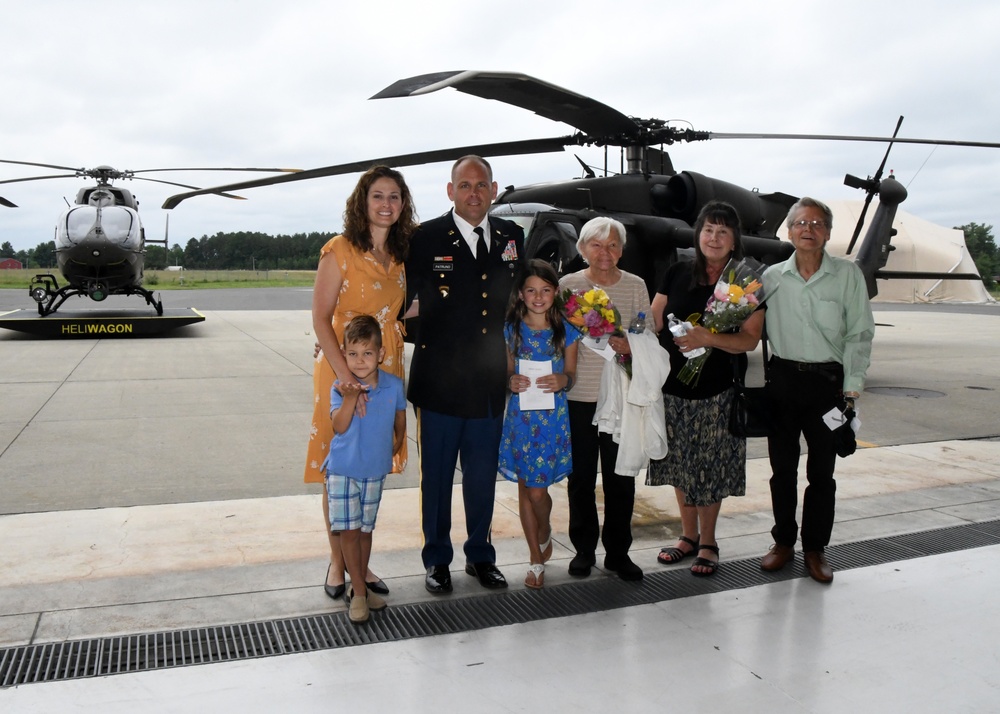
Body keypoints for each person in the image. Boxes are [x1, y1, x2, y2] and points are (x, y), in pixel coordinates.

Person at [406, 155, 525, 594]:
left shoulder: (512, 237)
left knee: (480, 477)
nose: (474, 193)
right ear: (450, 190)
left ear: (494, 190)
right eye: (465, 185)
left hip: (489, 383)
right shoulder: (425, 237)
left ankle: (480, 555)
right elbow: (403, 303)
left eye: (482, 185)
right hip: (439, 382)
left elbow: (517, 304)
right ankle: (437, 559)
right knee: (436, 479)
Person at [304, 165, 416, 601]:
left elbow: (405, 311)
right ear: (362, 202)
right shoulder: (341, 250)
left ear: (403, 204)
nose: (386, 204)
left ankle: (361, 566)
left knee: (370, 468)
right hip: (344, 368)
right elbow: (320, 315)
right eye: (377, 196)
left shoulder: (402, 253)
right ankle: (338, 563)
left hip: (385, 371)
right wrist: (348, 378)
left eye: (394, 197)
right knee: (340, 470)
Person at [759, 197, 874, 584]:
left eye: (817, 223)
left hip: (828, 385)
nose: (808, 229)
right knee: (781, 472)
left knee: (822, 474)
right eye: (800, 223)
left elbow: (860, 334)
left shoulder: (848, 275)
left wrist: (852, 388)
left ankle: (815, 548)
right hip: (784, 381)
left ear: (827, 231)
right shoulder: (770, 278)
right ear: (788, 231)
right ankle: (782, 543)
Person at [647, 201, 764, 577]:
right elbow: (655, 320)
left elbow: (749, 341)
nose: (714, 238)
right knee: (681, 464)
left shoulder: (746, 284)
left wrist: (707, 337)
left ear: (734, 241)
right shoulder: (677, 272)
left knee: (710, 469)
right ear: (698, 235)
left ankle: (709, 542)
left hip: (717, 390)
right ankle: (687, 536)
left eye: (723, 232)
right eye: (708, 230)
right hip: (673, 388)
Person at [559, 216, 650, 581]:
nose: (605, 252)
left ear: (622, 250)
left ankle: (618, 552)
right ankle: (583, 549)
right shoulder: (568, 285)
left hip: (620, 396)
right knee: (580, 477)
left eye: (613, 245)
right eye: (596, 245)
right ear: (582, 249)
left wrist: (631, 341)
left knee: (620, 476)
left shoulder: (636, 286)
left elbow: (648, 332)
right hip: (580, 394)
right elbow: (558, 338)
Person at [501, 260, 581, 589]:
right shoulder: (511, 328)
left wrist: (563, 378)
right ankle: (535, 557)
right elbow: (506, 372)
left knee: (538, 492)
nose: (538, 296)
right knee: (525, 488)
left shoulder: (566, 328)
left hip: (552, 420)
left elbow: (572, 375)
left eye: (545, 290)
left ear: (555, 292)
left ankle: (545, 529)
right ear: (521, 294)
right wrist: (511, 380)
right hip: (521, 418)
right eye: (531, 290)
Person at [322, 315, 407, 623]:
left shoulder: (394, 385)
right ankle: (358, 593)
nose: (360, 361)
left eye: (367, 353)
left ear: (380, 355)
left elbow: (400, 415)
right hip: (344, 470)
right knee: (349, 531)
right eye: (353, 354)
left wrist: (397, 441)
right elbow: (339, 426)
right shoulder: (340, 388)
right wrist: (351, 396)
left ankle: (360, 587)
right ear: (343, 355)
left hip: (374, 470)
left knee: (366, 531)